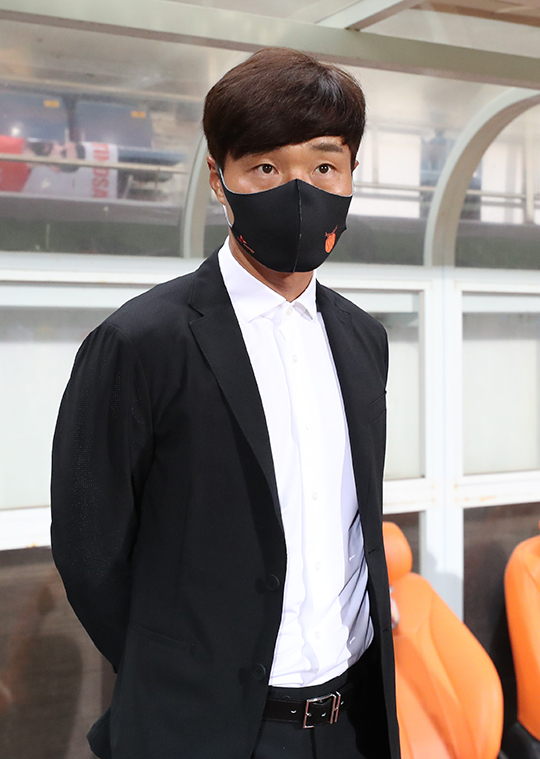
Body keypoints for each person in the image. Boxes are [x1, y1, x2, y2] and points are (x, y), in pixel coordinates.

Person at [51, 47, 400, 759]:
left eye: (324, 167)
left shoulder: (364, 339)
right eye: (266, 168)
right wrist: (176, 672)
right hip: (201, 728)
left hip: (352, 723)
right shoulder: (140, 341)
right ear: (219, 178)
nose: (300, 190)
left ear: (351, 174)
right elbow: (90, 551)